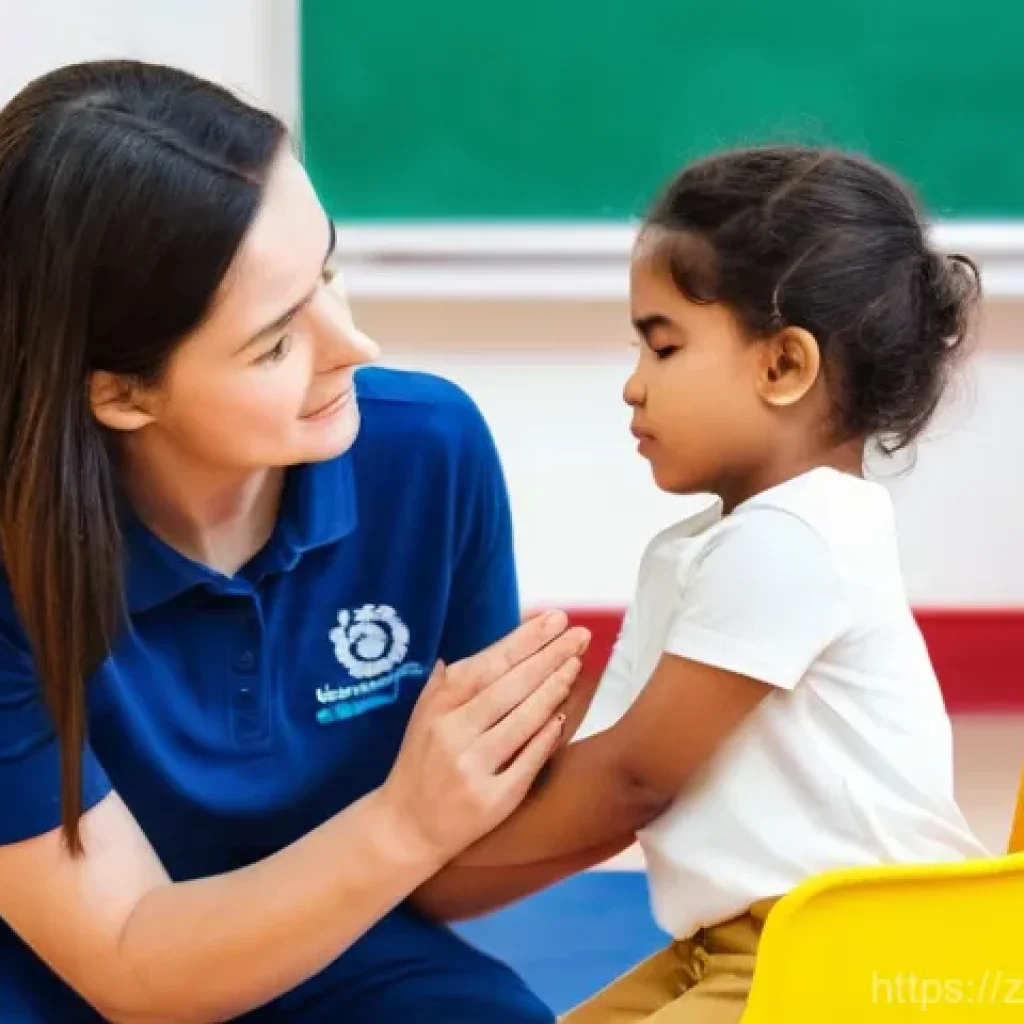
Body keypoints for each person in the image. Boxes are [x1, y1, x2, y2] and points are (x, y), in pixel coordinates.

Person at [0, 59, 606, 1023]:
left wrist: (663, 762)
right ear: (118, 391)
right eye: (276, 341)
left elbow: (458, 851)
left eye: (327, 270)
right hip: (62, 968)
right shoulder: (14, 555)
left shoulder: (428, 451)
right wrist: (408, 820)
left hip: (343, 944)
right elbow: (125, 961)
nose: (353, 346)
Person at [415, 146, 991, 1022]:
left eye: (664, 346)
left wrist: (413, 865)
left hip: (857, 961)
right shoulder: (722, 543)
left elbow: (634, 779)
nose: (632, 387)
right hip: (731, 946)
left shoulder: (796, 538)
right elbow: (611, 745)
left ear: (782, 368)